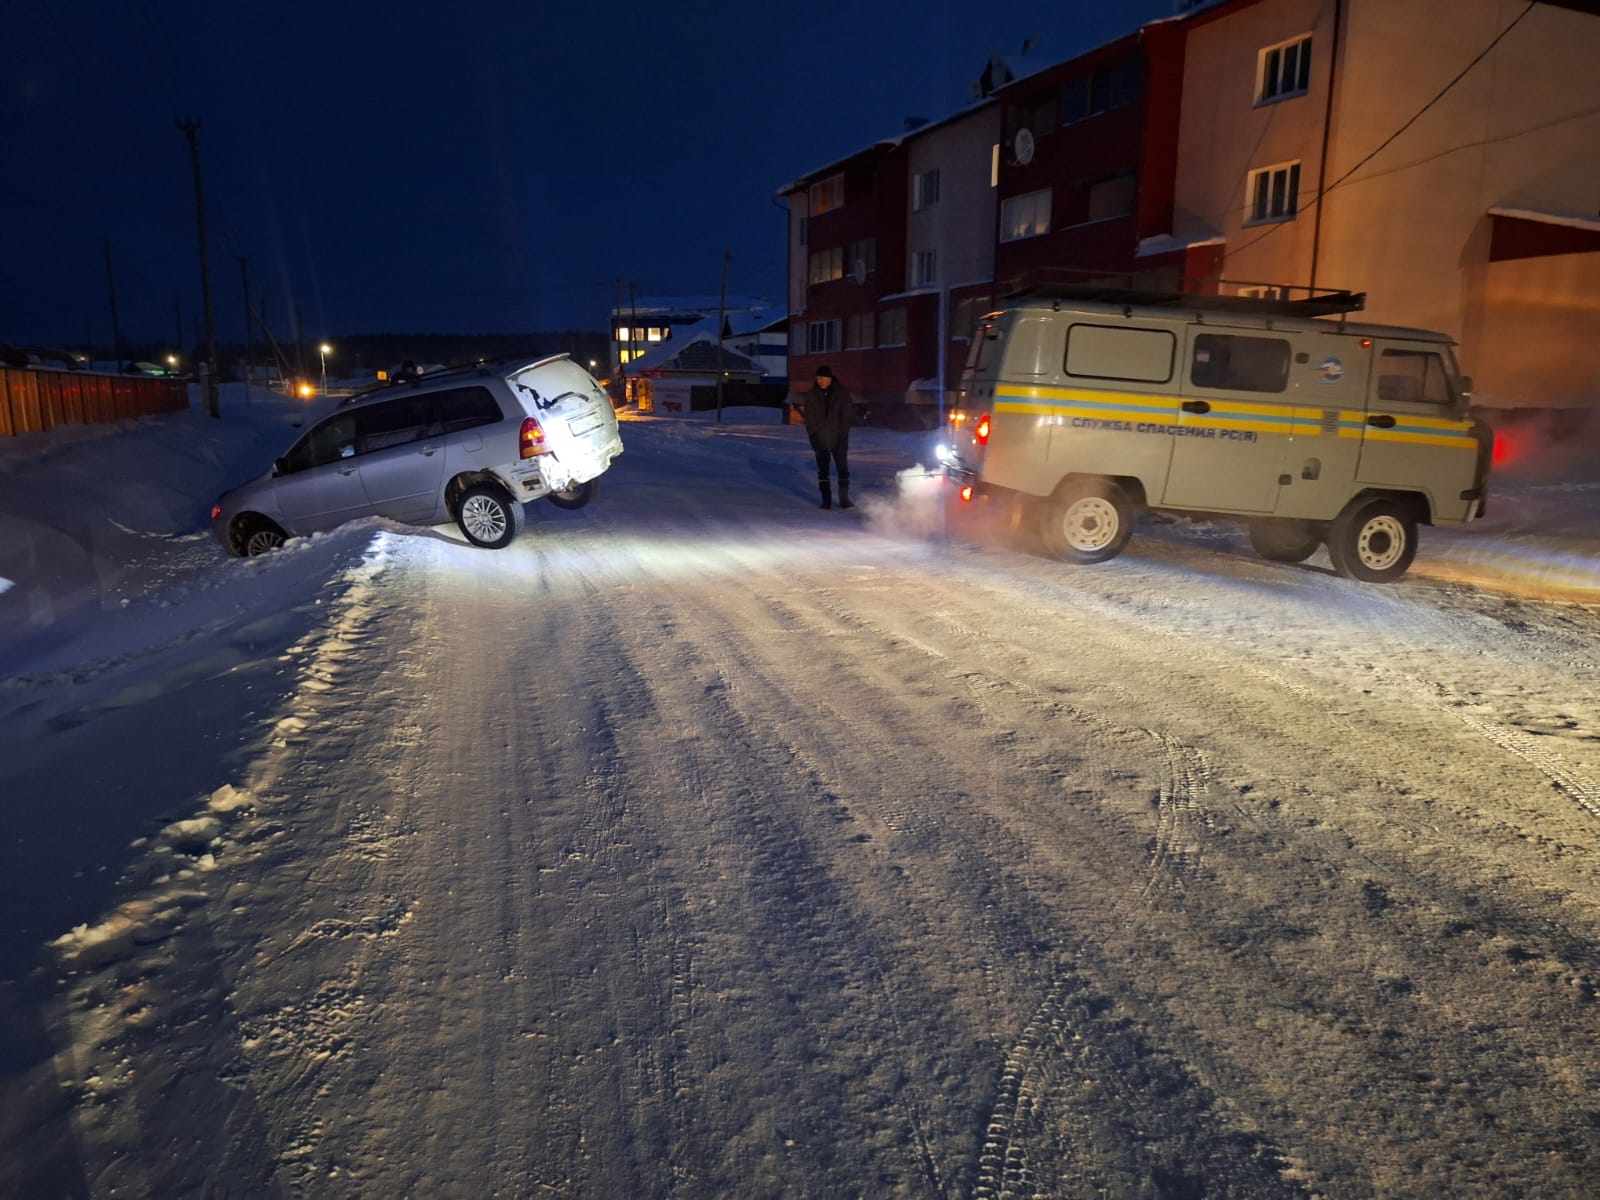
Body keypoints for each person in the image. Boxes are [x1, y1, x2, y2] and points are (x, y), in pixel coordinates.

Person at [802, 364, 855, 509]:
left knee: (842, 470)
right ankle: (826, 501)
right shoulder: (813, 395)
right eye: (818, 378)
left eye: (823, 378)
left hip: (839, 439)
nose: (820, 381)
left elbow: (847, 416)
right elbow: (810, 419)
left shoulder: (841, 394)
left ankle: (844, 499)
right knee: (823, 472)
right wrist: (814, 436)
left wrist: (843, 435)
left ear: (830, 378)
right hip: (820, 440)